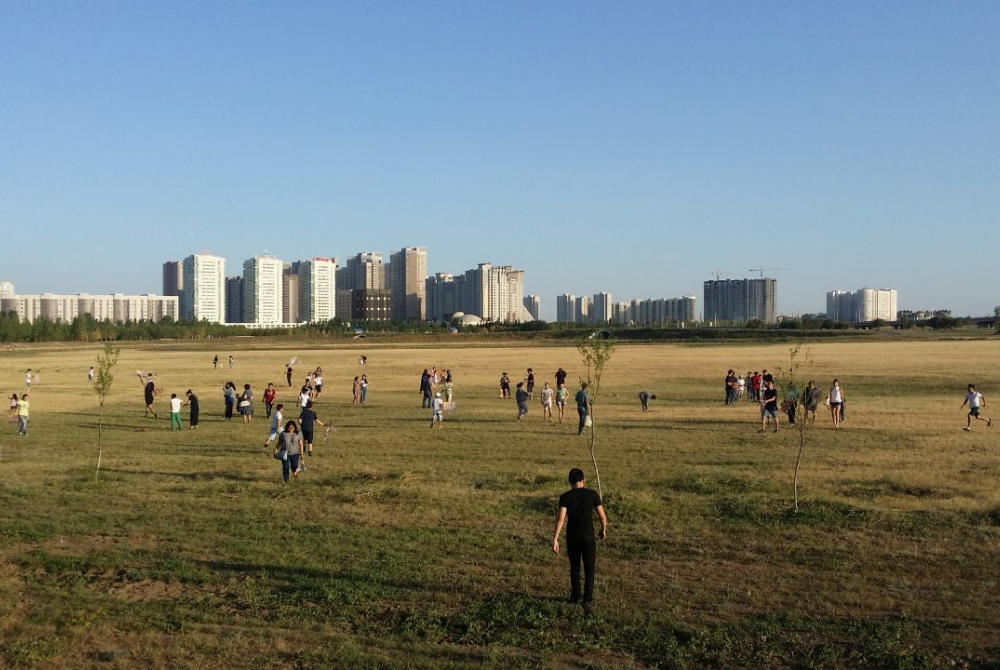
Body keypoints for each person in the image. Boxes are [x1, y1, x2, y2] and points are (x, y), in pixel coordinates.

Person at [552, 468, 608, 615]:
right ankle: (587, 599)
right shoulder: (592, 494)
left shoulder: (565, 497)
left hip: (572, 537)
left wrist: (555, 538)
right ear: (583, 479)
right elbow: (602, 516)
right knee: (589, 568)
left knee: (575, 567)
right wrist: (603, 529)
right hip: (588, 537)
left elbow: (561, 519)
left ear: (570, 482)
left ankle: (575, 596)